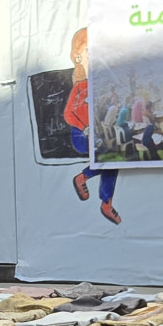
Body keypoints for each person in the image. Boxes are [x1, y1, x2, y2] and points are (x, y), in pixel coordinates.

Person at [62, 28, 121, 225]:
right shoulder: (79, 87)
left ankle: (106, 202)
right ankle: (83, 177)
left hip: (98, 133)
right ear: (78, 56)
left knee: (113, 158)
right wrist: (84, 127)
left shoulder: (103, 86)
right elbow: (68, 114)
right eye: (89, 50)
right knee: (110, 157)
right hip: (81, 135)